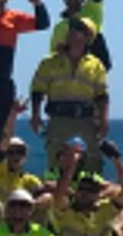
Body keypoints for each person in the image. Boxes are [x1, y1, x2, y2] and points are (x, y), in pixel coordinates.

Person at [28, 16, 109, 163]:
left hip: (87, 121)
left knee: (91, 162)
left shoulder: (96, 65)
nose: (72, 32)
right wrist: (35, 114)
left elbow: (101, 96)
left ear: (87, 36)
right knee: (56, 160)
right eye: (71, 28)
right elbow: (37, 90)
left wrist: (103, 120)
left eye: (78, 29)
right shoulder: (49, 62)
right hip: (59, 120)